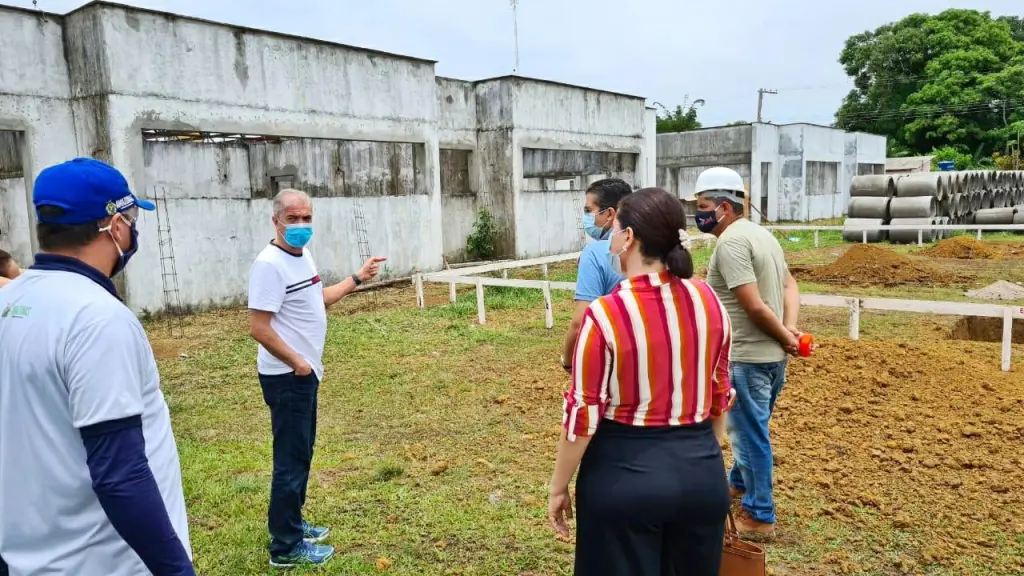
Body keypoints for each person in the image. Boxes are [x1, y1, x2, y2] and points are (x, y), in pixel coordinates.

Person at [0, 158, 194, 575]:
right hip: (106, 560)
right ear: (115, 226)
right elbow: (120, 476)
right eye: (131, 217)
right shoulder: (96, 319)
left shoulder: (11, 303)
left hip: (31, 556)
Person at [548, 187, 736, 576]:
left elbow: (583, 415)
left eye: (615, 229)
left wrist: (558, 486)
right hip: (701, 474)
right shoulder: (709, 302)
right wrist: (703, 454)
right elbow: (720, 397)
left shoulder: (606, 314)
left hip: (623, 478)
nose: (611, 238)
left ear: (629, 237)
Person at [248, 188, 386, 568]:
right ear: (276, 221)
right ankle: (285, 548)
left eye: (306, 218)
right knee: (290, 461)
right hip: (289, 376)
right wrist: (298, 362)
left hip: (303, 375)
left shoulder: (302, 255)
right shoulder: (269, 265)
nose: (301, 226)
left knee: (302, 453)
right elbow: (258, 328)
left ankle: (292, 523)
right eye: (293, 219)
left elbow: (317, 299)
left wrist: (357, 278)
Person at [687, 166, 803, 540]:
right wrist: (790, 329)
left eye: (702, 205)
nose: (698, 213)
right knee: (753, 429)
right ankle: (736, 482)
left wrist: (786, 334)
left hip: (745, 358)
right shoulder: (761, 235)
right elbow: (790, 285)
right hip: (771, 358)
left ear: (724, 206)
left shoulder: (732, 243)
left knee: (749, 437)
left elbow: (752, 306)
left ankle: (760, 515)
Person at [559, 178, 633, 371]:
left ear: (609, 214)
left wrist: (568, 362)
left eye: (588, 211)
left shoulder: (594, 253)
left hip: (611, 360)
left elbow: (579, 322)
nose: (585, 217)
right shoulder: (649, 247)